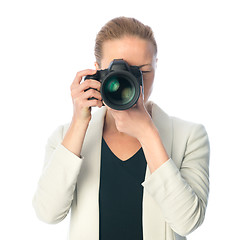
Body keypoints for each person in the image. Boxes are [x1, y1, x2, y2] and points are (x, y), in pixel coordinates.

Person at [32, 17, 210, 240]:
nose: (132, 82)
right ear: (97, 71)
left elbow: (187, 223)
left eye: (142, 71)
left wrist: (148, 133)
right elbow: (48, 214)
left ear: (156, 65)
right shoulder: (65, 137)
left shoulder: (190, 136)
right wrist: (79, 123)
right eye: (119, 71)